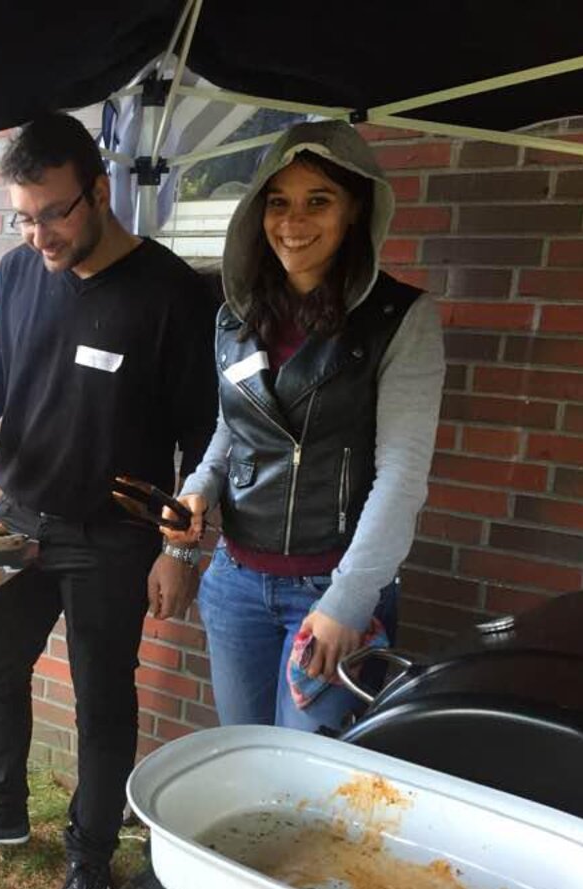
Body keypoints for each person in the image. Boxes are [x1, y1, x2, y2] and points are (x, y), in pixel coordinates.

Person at [0, 113, 217, 889]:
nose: (39, 235)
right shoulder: (17, 272)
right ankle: (0, 808)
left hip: (114, 537)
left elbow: (203, 439)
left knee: (102, 701)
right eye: (24, 218)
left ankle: (90, 853)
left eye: (54, 214)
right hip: (18, 517)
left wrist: (181, 550)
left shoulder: (172, 294)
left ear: (99, 192)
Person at [167, 120, 445, 732]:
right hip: (235, 585)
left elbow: (401, 477)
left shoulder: (400, 319)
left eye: (318, 201)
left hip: (331, 591)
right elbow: (232, 429)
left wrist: (350, 599)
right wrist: (198, 489)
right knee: (243, 760)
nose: (292, 222)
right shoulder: (235, 315)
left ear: (356, 210)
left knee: (305, 776)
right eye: (278, 202)